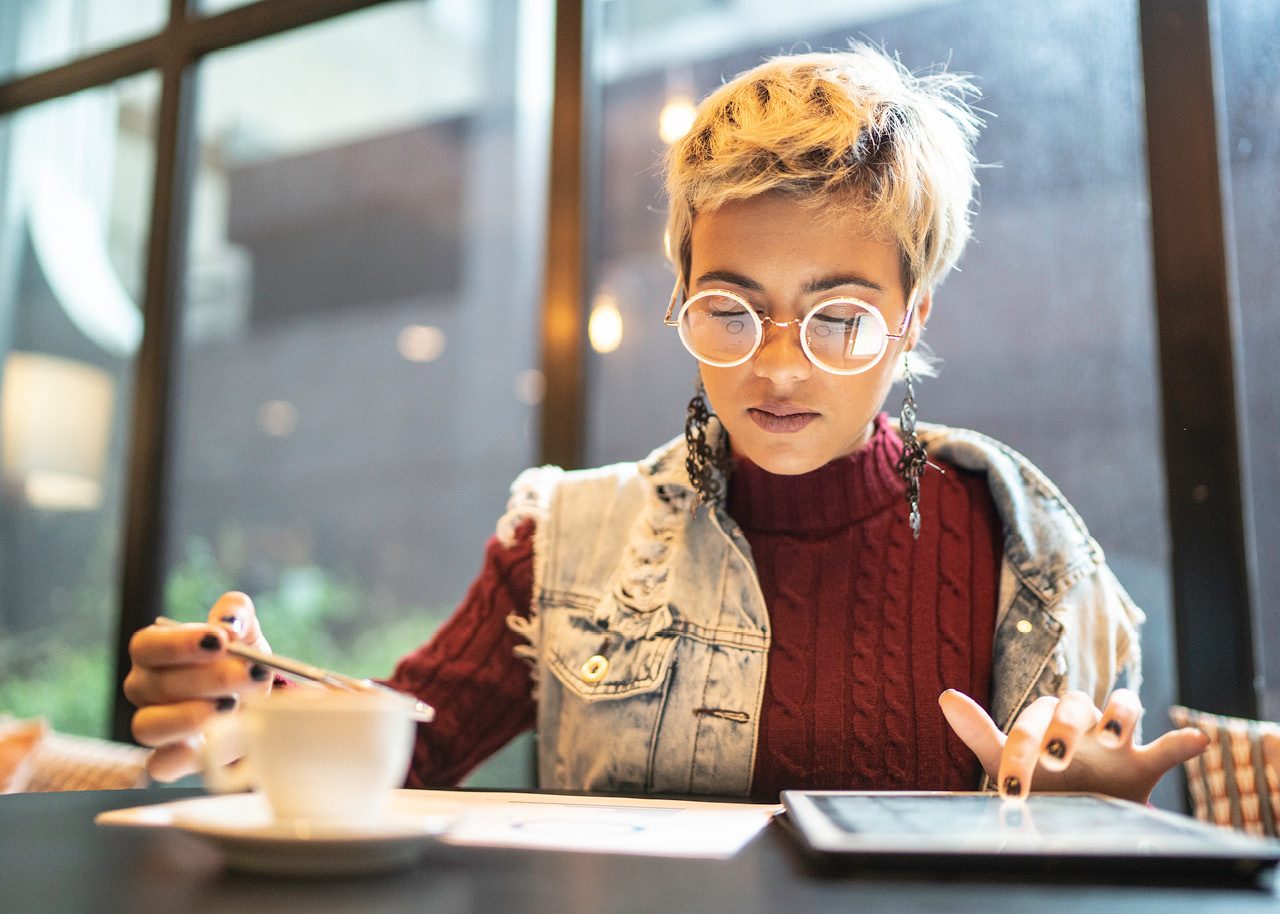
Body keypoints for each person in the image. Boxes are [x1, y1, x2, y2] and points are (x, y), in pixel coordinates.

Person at [125, 44, 1207, 804]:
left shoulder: (1027, 550)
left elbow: (1092, 799)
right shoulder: (564, 538)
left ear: (912, 314)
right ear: (678, 292)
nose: (777, 365)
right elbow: (409, 748)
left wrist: (1096, 806)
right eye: (730, 310)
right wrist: (257, 705)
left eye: (837, 317)